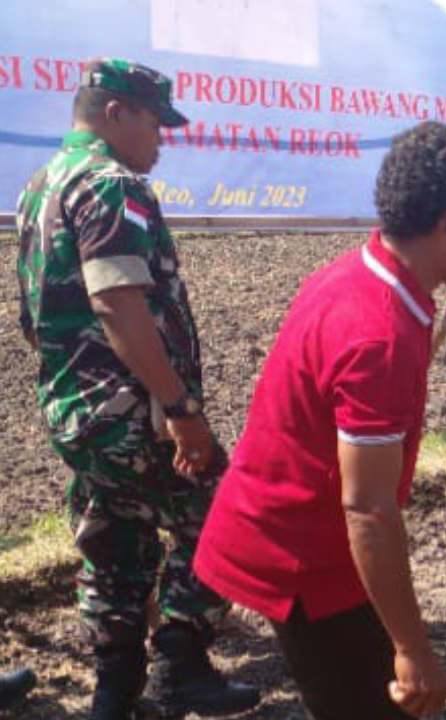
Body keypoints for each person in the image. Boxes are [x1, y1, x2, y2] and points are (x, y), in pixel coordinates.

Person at [194, 122, 446, 720]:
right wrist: (414, 649)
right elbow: (368, 508)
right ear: (445, 225)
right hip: (306, 557)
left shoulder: (361, 273)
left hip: (321, 541)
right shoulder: (378, 332)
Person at [14, 57, 259, 719]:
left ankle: (114, 695)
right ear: (116, 112)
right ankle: (181, 664)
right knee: (228, 512)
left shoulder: (41, 186)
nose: (162, 137)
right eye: (155, 121)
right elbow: (119, 304)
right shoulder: (108, 184)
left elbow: (33, 318)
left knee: (116, 544)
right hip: (132, 412)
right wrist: (179, 409)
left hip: (76, 414)